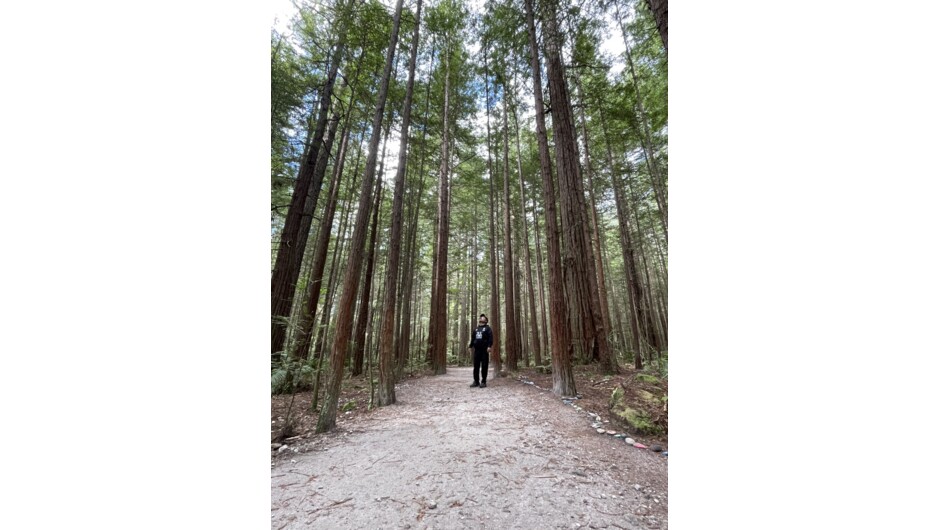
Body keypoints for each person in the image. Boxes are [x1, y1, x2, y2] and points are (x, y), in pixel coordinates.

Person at [468, 314, 493, 388]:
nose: (481, 319)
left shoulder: (488, 329)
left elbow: (490, 338)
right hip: (477, 350)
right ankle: (476, 381)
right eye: (480, 318)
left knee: (484, 366)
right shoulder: (476, 329)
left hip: (484, 350)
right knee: (476, 366)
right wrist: (470, 346)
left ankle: (483, 381)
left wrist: (489, 346)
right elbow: (473, 338)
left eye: (483, 318)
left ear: (485, 320)